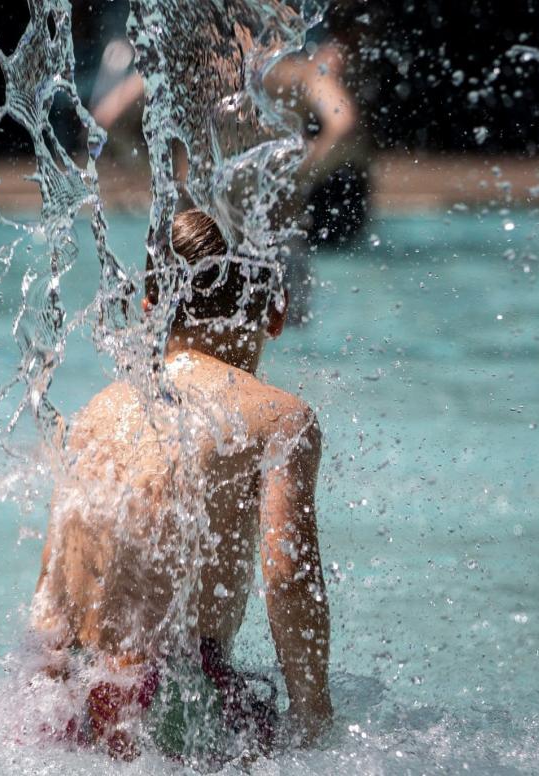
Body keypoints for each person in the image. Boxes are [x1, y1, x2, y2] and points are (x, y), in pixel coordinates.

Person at [28, 209, 331, 763]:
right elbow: (288, 574)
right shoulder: (277, 418)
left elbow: (51, 599)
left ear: (152, 307)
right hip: (175, 706)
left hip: (76, 699)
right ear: (277, 311)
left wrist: (44, 709)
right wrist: (314, 714)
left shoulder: (97, 413)